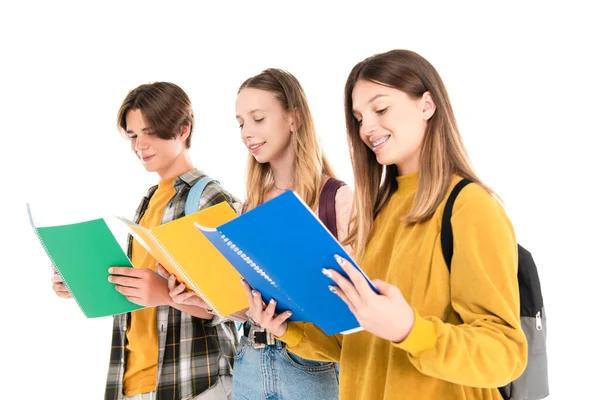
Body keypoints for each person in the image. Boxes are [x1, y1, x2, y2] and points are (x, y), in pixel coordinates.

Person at [246, 50, 528, 399]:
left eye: (380, 109)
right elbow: (358, 347)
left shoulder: (470, 207)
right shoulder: (376, 212)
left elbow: (506, 354)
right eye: (359, 118)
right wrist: (289, 329)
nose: (367, 128)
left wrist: (411, 330)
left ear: (427, 105)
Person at [166, 68, 353, 400]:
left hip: (311, 368)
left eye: (257, 119)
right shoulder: (246, 207)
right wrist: (206, 299)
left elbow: (355, 309)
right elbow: (244, 306)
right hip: (250, 362)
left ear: (294, 118)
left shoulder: (337, 199)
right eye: (241, 123)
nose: (246, 133)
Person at [52, 81, 240, 400]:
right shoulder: (150, 201)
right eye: (133, 135)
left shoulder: (211, 199)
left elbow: (233, 302)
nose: (140, 145)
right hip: (134, 381)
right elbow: (139, 291)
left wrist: (166, 294)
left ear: (183, 129)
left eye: (150, 131)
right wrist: (83, 284)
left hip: (195, 381)